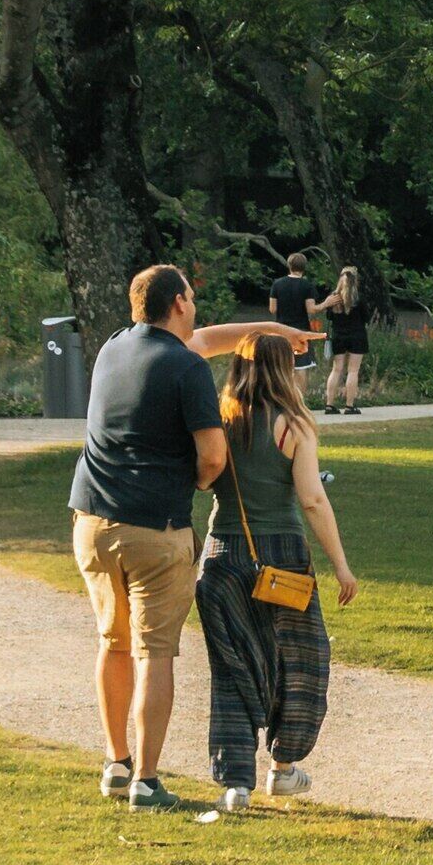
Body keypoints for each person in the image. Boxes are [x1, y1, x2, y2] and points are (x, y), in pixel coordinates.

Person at [70, 267, 298, 810]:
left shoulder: (115, 348)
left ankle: (116, 763)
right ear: (178, 303)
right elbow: (214, 456)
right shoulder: (188, 368)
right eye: (192, 299)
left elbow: (207, 337)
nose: (196, 309)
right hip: (155, 529)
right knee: (156, 652)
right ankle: (148, 782)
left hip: (91, 524)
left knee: (113, 640)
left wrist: (269, 329)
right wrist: (193, 480)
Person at [197, 330, 354, 814]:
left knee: (233, 666)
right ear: (286, 371)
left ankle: (236, 783)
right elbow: (311, 498)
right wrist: (341, 566)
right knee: (300, 661)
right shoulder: (295, 426)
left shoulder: (218, 420)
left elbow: (203, 479)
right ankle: (283, 768)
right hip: (282, 556)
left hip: (223, 554)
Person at [316, 265, 374, 415]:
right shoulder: (358, 299)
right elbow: (366, 318)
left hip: (338, 336)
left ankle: (329, 404)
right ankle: (349, 406)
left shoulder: (333, 298)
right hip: (357, 336)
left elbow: (329, 317)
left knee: (336, 370)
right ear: (355, 281)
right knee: (353, 371)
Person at [266, 252, 320, 369]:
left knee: (282, 365)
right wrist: (326, 304)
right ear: (304, 267)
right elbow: (311, 309)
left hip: (281, 329)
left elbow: (272, 309)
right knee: (301, 367)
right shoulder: (307, 285)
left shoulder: (277, 284)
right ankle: (300, 388)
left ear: (289, 265)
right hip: (301, 329)